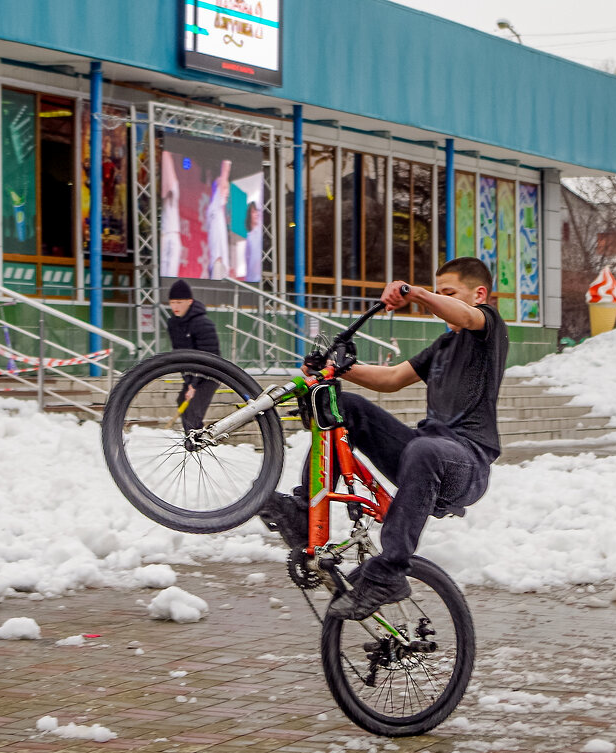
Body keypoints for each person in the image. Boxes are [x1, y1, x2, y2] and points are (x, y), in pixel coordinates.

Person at [261, 257, 508, 620]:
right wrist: (335, 370)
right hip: (423, 453)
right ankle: (304, 510)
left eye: (449, 293)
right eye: (439, 293)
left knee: (426, 449)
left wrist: (417, 293)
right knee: (345, 405)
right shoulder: (442, 347)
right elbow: (392, 378)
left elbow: (468, 316)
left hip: (466, 464)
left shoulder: (488, 329)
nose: (440, 302)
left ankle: (391, 570)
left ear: (479, 294)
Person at [166, 279, 221, 431]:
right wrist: (189, 381)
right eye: (172, 302)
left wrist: (195, 384)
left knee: (192, 412)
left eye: (179, 302)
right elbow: (180, 354)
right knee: (182, 401)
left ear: (189, 301)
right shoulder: (173, 324)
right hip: (192, 372)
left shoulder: (203, 323)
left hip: (210, 373)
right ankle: (193, 439)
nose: (175, 306)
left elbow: (209, 355)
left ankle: (198, 441)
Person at [205, 160, 231, 279]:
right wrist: (226, 164)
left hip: (221, 265)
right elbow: (223, 178)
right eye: (225, 188)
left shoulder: (218, 212)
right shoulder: (214, 208)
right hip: (218, 264)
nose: (227, 192)